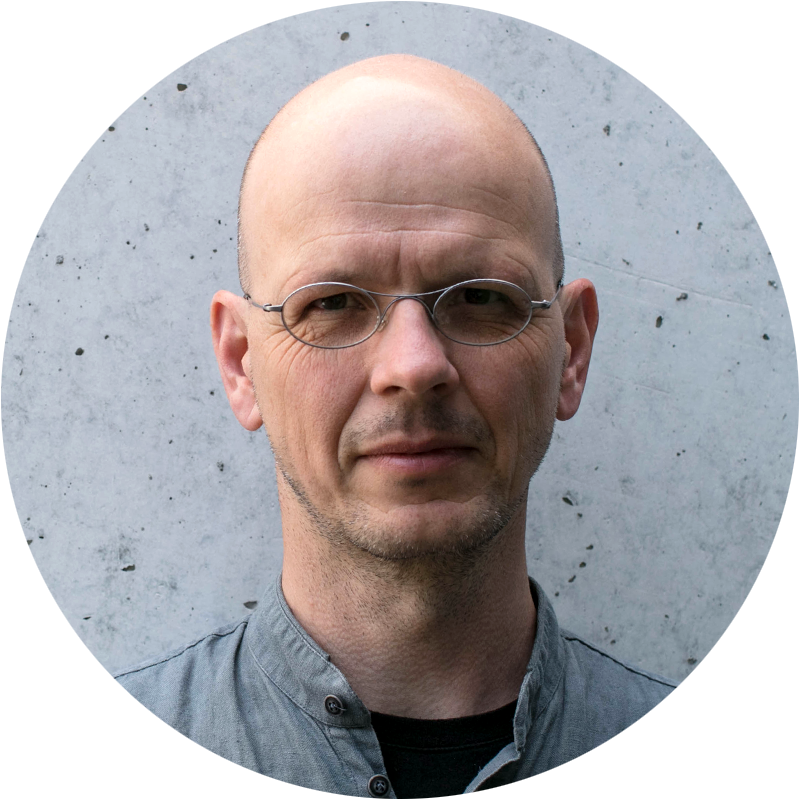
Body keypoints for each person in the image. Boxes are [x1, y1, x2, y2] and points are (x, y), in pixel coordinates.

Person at [16, 54, 782, 800]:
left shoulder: (741, 784)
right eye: (332, 303)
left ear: (571, 351)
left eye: (480, 297)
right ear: (242, 364)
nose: (414, 366)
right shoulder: (63, 783)